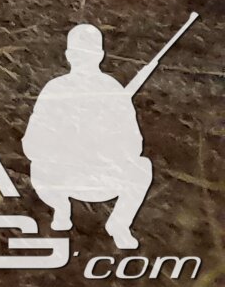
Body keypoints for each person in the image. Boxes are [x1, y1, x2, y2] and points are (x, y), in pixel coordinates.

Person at [24, 22, 157, 251]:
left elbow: (134, 144)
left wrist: (104, 144)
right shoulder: (56, 89)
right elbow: (33, 142)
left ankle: (119, 224)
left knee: (142, 167)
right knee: (38, 166)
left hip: (101, 177)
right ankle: (61, 208)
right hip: (63, 176)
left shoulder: (113, 91)